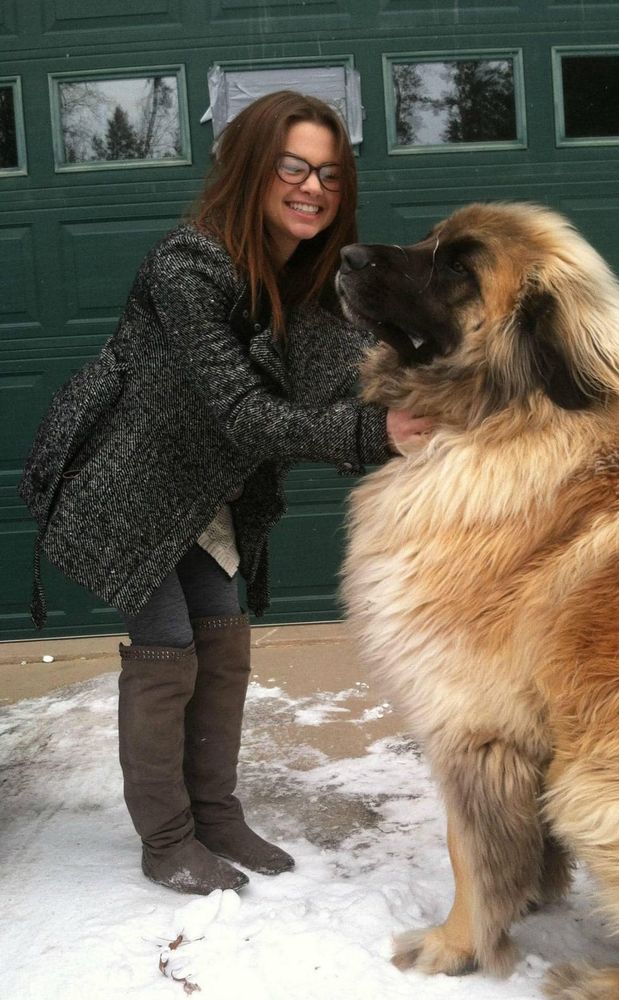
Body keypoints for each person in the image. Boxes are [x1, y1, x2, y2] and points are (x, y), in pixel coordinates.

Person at [18, 90, 431, 895]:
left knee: (223, 636)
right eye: (293, 167)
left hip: (206, 492)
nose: (313, 187)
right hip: (130, 484)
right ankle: (167, 840)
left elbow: (364, 362)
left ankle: (216, 813)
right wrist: (375, 434)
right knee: (169, 644)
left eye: (330, 174)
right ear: (251, 168)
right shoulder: (188, 266)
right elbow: (243, 414)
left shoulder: (305, 279)